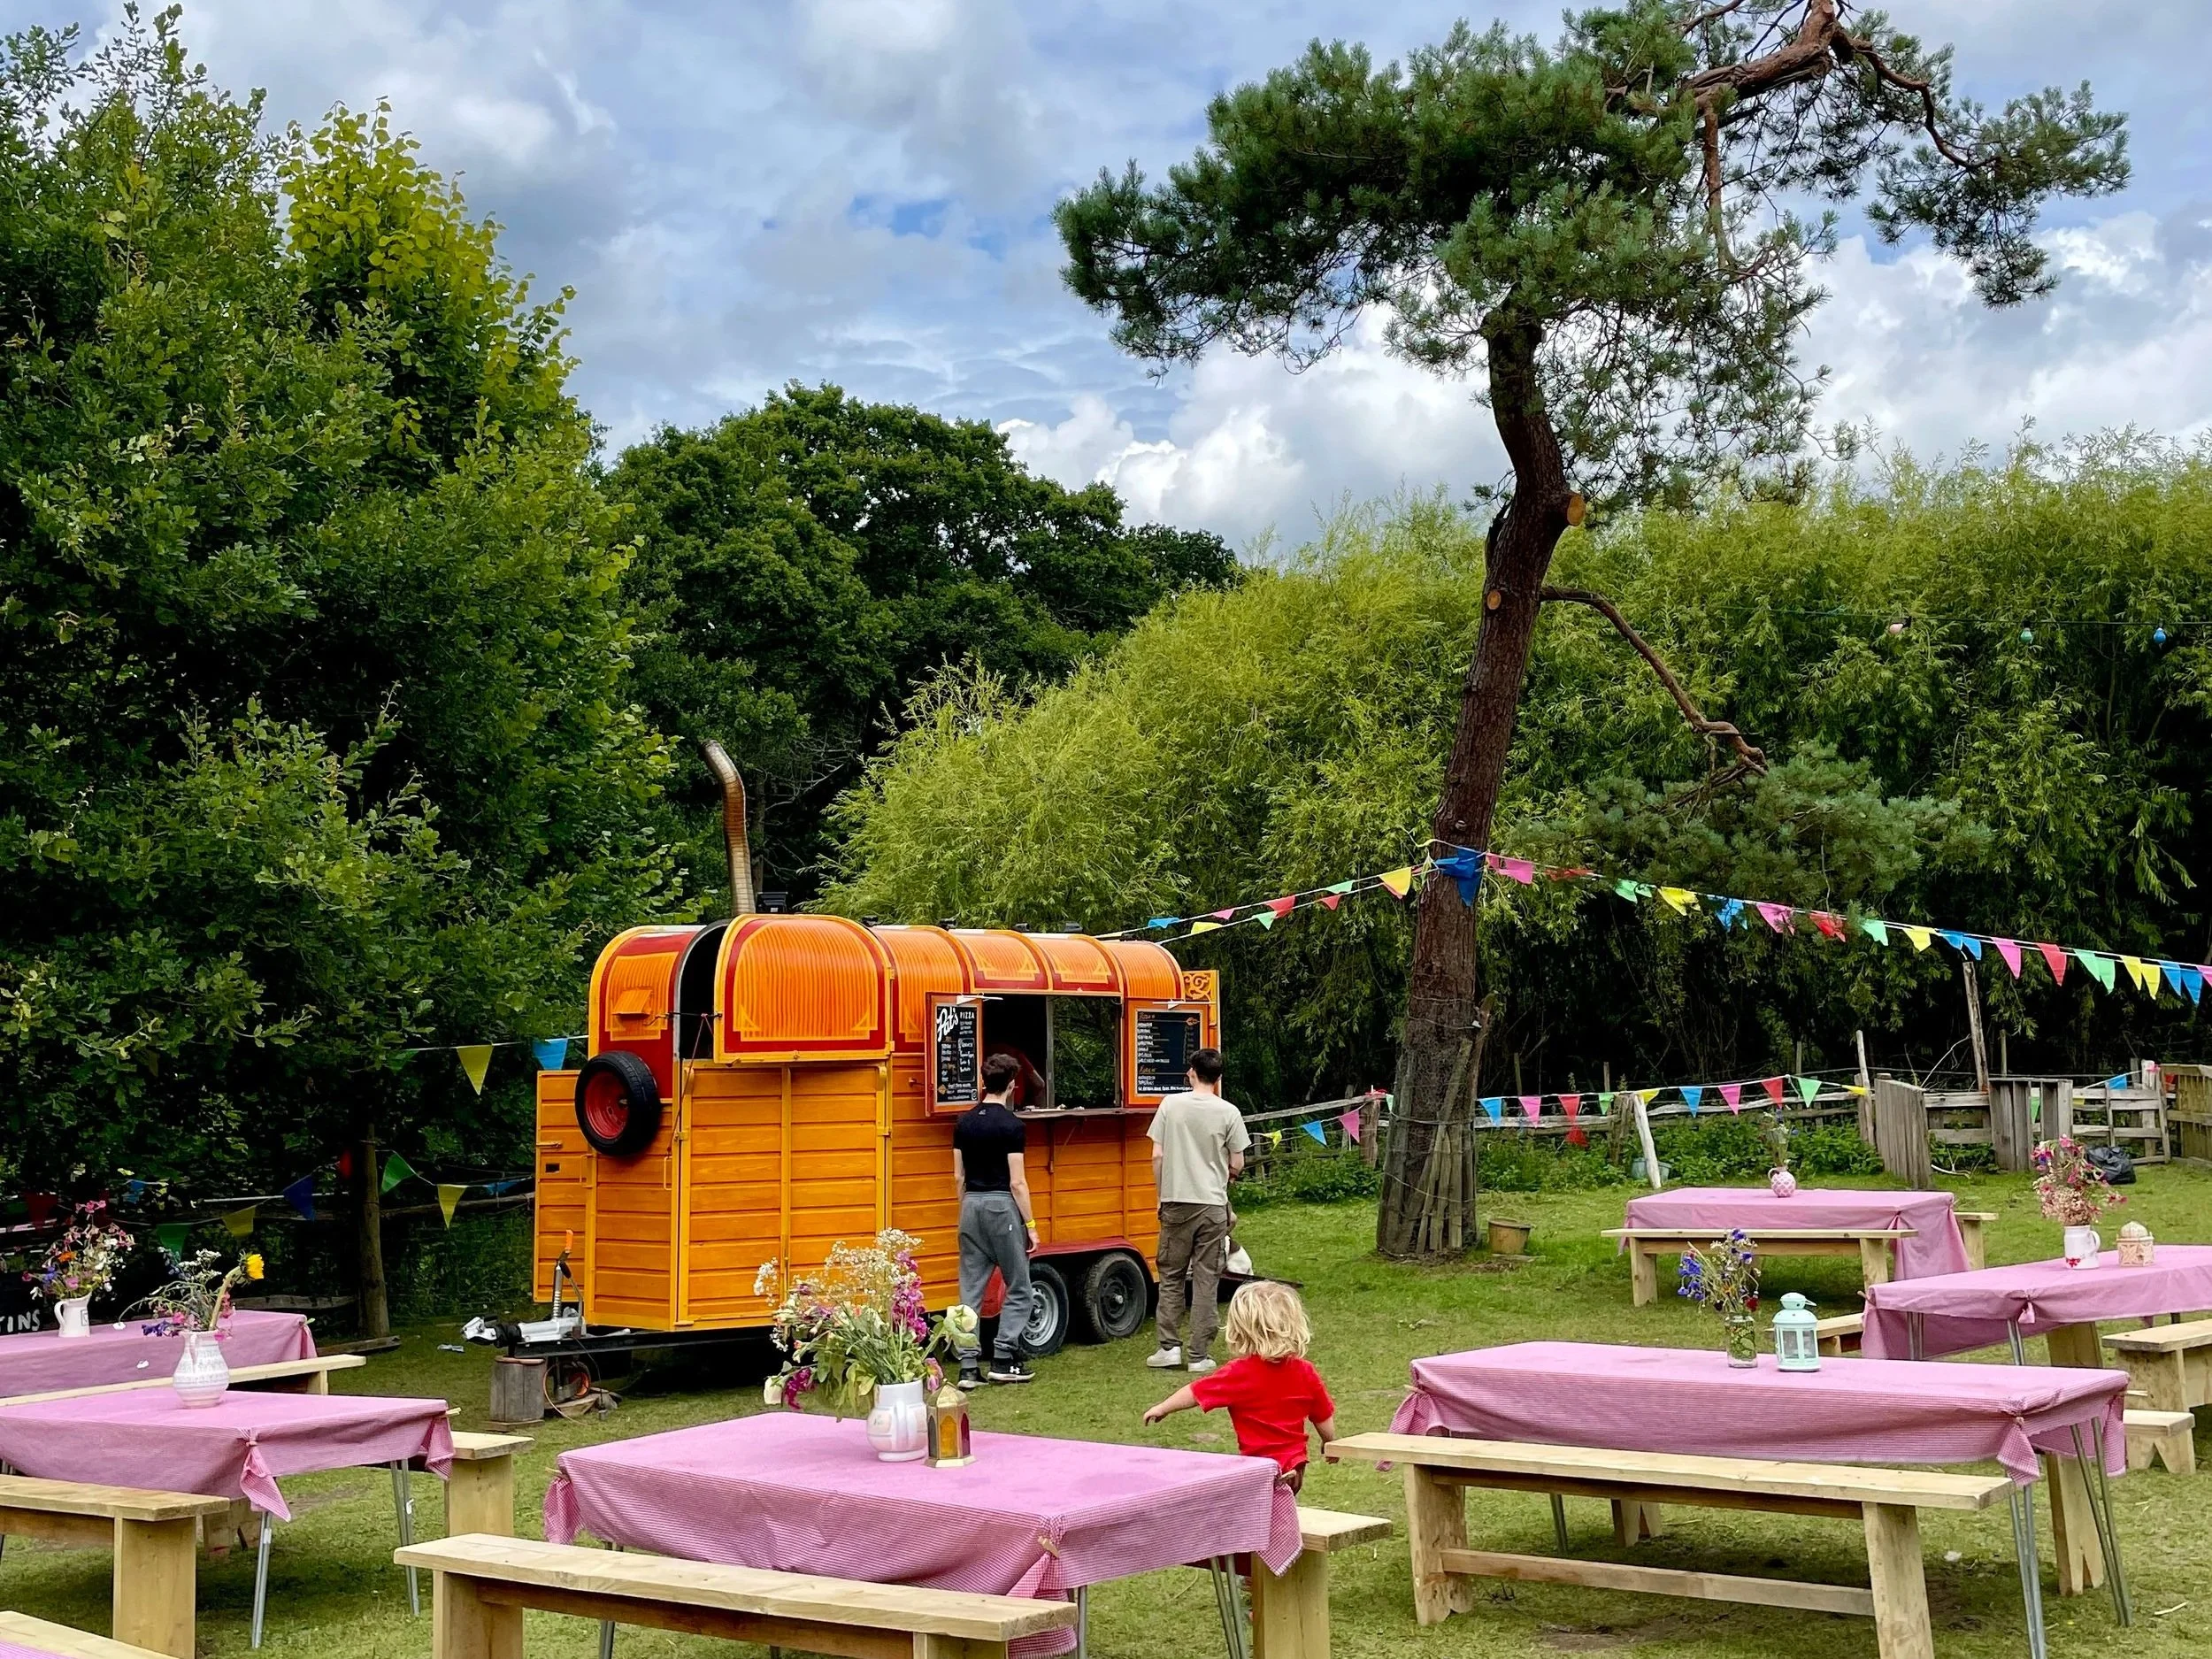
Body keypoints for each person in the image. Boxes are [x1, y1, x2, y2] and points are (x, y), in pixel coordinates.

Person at [1141, 1280, 1338, 1492]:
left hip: (1257, 1468)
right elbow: (1323, 1418)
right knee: (1279, 1513)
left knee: (1258, 1517)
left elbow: (1195, 1392)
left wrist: (1163, 1407)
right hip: (1294, 1467)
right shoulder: (1305, 1372)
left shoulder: (1238, 1373)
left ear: (1240, 1330)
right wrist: (1329, 1444)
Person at [1146, 1045, 1248, 1374]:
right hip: (1213, 1204)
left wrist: (1161, 1195)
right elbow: (1238, 1161)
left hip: (1176, 1200)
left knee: (1172, 1275)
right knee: (1207, 1277)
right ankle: (1200, 1355)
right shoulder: (1229, 1112)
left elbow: (1157, 1156)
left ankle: (1169, 1348)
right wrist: (1226, 1177)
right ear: (1218, 1077)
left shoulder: (1170, 1105)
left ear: (1192, 1071)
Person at [952, 1051, 1038, 1386]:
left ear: (981, 1083)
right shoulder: (1012, 1126)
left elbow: (958, 1177)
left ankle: (968, 1367)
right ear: (1013, 1086)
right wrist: (1031, 1225)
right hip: (1002, 1206)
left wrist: (966, 1208)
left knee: (970, 1290)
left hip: (970, 1204)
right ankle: (1003, 1358)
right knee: (1019, 1285)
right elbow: (1017, 1182)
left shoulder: (963, 1122)